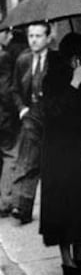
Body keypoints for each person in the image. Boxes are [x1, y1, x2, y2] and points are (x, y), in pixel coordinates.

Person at [40, 32, 81, 275]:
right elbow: (53, 113)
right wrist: (74, 84)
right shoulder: (53, 79)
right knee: (64, 205)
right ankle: (67, 263)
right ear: (75, 58)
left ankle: (80, 257)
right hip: (59, 154)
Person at [11, 22, 54, 224]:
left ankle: (55, 208)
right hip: (31, 116)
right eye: (31, 36)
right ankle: (23, 208)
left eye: (38, 36)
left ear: (48, 38)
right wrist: (22, 109)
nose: (34, 40)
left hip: (53, 118)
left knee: (52, 163)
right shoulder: (23, 60)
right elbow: (15, 89)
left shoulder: (56, 61)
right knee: (29, 162)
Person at [0, 31, 19, 216]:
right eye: (6, 32)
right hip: (3, 117)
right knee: (10, 154)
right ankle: (5, 201)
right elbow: (5, 91)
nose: (10, 37)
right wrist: (16, 111)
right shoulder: (3, 57)